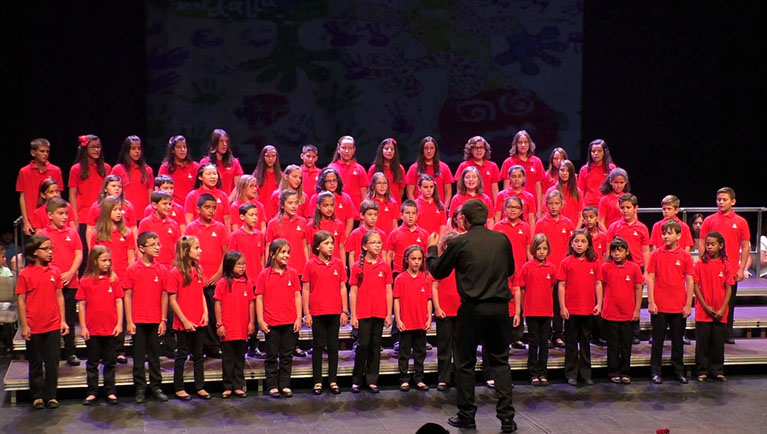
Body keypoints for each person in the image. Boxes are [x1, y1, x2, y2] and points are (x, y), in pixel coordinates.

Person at [426, 199, 516, 433]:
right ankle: (507, 418)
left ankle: (467, 416)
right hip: (499, 308)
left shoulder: (460, 242)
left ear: (464, 219)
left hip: (473, 309)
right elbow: (510, 270)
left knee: (465, 363)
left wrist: (432, 249)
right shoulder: (502, 239)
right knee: (500, 362)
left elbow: (438, 271)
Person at [16, 235, 69, 409]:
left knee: (52, 362)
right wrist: (24, 325)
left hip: (52, 324)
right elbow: (21, 300)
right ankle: (37, 396)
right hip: (34, 325)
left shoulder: (55, 271)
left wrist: (63, 321)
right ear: (34, 252)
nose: (50, 252)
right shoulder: (25, 274)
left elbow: (59, 296)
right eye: (45, 249)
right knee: (36, 362)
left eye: (50, 248)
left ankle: (51, 395)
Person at [698, 187, 750, 344]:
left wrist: (741, 269)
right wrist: (702, 261)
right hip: (710, 268)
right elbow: (702, 241)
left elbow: (745, 246)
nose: (721, 202)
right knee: (710, 298)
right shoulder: (709, 220)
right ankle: (709, 332)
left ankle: (727, 332)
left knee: (729, 301)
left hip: (731, 269)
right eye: (719, 199)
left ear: (733, 201)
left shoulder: (740, 222)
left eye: (724, 199)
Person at [124, 231, 169, 403]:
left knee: (155, 356)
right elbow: (128, 295)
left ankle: (156, 386)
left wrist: (163, 319)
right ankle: (140, 388)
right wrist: (129, 320)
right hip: (138, 320)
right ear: (142, 248)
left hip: (155, 319)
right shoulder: (133, 269)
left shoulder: (162, 270)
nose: (157, 248)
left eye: (158, 244)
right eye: (153, 245)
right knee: (139, 356)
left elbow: (164, 295)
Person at [647, 220, 694, 384]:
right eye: (664, 233)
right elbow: (650, 278)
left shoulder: (685, 256)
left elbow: (689, 280)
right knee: (657, 341)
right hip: (660, 305)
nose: (665, 236)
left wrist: (688, 304)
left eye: (669, 233)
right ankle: (655, 372)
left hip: (678, 305)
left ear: (678, 236)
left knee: (678, 342)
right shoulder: (655, 254)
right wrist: (651, 301)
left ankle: (678, 371)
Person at [91, 195, 136, 364]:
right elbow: (94, 258)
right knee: (106, 314)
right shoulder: (97, 234)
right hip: (103, 280)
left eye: (120, 210)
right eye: (115, 209)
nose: (119, 212)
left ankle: (119, 349)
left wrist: (130, 278)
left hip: (122, 279)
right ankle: (104, 350)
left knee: (120, 315)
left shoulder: (127, 233)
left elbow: (131, 257)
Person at [302, 231, 348, 395]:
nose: (330, 246)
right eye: (326, 243)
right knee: (318, 346)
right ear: (317, 246)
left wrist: (344, 310)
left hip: (334, 311)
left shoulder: (338, 264)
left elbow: (343, 287)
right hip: (318, 312)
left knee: (334, 346)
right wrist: (307, 313)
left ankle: (333, 380)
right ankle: (317, 381)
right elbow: (305, 289)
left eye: (331, 243)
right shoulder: (310, 264)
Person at [77, 245, 124, 405]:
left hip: (110, 329)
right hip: (93, 330)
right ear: (94, 261)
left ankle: (110, 391)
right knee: (92, 363)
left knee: (110, 362)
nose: (107, 263)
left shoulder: (113, 280)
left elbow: (119, 301)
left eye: (109, 260)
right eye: (104, 260)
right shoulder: (85, 281)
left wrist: (119, 323)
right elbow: (82, 304)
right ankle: (92, 392)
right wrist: (83, 327)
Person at [166, 235, 211, 401]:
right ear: (186, 251)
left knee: (199, 355)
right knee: (182, 354)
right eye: (196, 248)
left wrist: (205, 312)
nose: (200, 251)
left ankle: (200, 386)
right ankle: (179, 387)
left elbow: (201, 293)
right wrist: (184, 321)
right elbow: (172, 300)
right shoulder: (175, 272)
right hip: (184, 321)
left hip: (198, 319)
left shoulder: (198, 269)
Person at [38, 197, 83, 366]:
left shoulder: (72, 232)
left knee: (69, 318)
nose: (64, 217)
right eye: (60, 213)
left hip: (70, 283)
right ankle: (52, 353)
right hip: (51, 283)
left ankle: (70, 352)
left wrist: (71, 272)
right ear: (50, 215)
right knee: (51, 318)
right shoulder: (42, 235)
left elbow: (79, 254)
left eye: (66, 214)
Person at [256, 239, 302, 398]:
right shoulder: (264, 275)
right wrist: (260, 320)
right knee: (271, 355)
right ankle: (272, 385)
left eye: (288, 252)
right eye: (282, 252)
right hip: (272, 322)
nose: (286, 255)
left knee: (286, 355)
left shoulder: (293, 273)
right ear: (273, 254)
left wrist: (298, 318)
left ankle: (285, 384)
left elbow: (297, 296)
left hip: (289, 321)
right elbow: (259, 298)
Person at [184, 194, 228, 359]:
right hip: (196, 279)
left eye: (214, 208)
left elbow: (225, 253)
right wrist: (198, 274)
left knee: (213, 312)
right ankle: (196, 348)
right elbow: (187, 254)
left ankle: (213, 346)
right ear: (198, 209)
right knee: (196, 312)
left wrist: (218, 274)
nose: (211, 211)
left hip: (215, 279)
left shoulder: (220, 228)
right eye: (207, 207)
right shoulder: (191, 228)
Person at [557, 229, 602, 386]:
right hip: (571, 310)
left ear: (588, 244)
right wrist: (563, 307)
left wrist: (599, 303)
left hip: (588, 309)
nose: (579, 244)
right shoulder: (566, 262)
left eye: (583, 241)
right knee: (571, 343)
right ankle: (571, 374)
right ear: (571, 243)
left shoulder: (594, 263)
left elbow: (598, 283)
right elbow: (561, 285)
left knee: (585, 343)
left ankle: (585, 373)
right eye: (576, 241)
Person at [350, 231, 393, 393]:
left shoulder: (385, 266)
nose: (377, 245)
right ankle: (357, 379)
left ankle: (372, 379)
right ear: (364, 246)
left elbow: (388, 291)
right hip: (363, 313)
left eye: (379, 242)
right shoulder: (357, 266)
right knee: (363, 345)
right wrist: (353, 315)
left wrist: (388, 314)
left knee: (375, 345)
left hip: (379, 312)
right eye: (373, 243)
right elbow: (353, 292)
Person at [534, 190, 575, 348]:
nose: (553, 206)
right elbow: (536, 245)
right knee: (545, 303)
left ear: (562, 204)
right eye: (550, 203)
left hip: (562, 271)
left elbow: (572, 246)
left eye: (556, 203)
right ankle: (544, 335)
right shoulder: (541, 223)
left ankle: (557, 334)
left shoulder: (567, 223)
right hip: (545, 269)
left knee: (559, 304)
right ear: (546, 205)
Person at [600, 237, 643, 384]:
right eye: (613, 251)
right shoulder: (606, 267)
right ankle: (613, 371)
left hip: (628, 313)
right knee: (612, 345)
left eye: (620, 250)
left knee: (626, 345)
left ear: (627, 252)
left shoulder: (634, 267)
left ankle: (625, 372)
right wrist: (602, 305)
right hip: (611, 313)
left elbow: (638, 289)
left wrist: (637, 310)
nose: (616, 254)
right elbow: (602, 287)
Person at [214, 250, 256, 399]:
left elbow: (251, 303)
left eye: (244, 264)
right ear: (230, 265)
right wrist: (219, 324)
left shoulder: (247, 283)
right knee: (228, 359)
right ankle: (227, 386)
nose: (242, 267)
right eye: (239, 264)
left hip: (242, 328)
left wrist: (251, 322)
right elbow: (218, 304)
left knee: (240, 359)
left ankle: (238, 386)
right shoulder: (222, 283)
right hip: (228, 328)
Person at [493, 195, 531, 350]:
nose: (512, 210)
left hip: (520, 269)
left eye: (516, 208)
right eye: (510, 207)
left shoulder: (526, 227)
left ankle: (517, 337)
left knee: (519, 302)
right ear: (504, 209)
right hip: (503, 271)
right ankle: (503, 336)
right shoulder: (498, 227)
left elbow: (529, 249)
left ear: (521, 210)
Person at [694, 231, 733, 381]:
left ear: (720, 245)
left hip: (720, 312)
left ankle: (717, 369)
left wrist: (722, 309)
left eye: (713, 244)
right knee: (702, 343)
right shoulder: (700, 264)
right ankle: (702, 370)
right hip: (703, 311)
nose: (709, 247)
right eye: (707, 244)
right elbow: (696, 286)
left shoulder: (725, 265)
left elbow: (729, 288)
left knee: (718, 343)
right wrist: (705, 306)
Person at [394, 245, 432, 392]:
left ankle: (419, 378)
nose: (416, 262)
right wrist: (398, 319)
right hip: (406, 322)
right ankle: (404, 379)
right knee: (404, 352)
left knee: (420, 352)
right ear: (406, 260)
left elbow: (429, 300)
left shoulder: (426, 278)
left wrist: (429, 319)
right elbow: (396, 300)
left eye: (419, 259)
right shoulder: (400, 278)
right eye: (413, 259)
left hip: (420, 321)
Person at [431, 231, 461, 392]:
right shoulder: (441, 264)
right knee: (444, 346)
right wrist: (437, 307)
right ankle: (443, 378)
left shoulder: (464, 263)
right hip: (444, 310)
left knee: (460, 347)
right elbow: (434, 287)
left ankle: (459, 377)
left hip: (461, 310)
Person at [68, 134, 111, 247]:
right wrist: (74, 217)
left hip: (102, 215)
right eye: (93, 147)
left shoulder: (106, 168)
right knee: (86, 250)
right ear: (85, 149)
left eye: (98, 147)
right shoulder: (76, 169)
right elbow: (72, 194)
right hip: (83, 217)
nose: (96, 150)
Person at [17, 138, 64, 235]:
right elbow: (22, 197)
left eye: (47, 151)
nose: (45, 154)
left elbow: (58, 196)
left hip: (51, 220)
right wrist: (25, 221)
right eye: (42, 151)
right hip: (32, 221)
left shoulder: (55, 170)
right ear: (33, 153)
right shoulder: (24, 172)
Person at [85, 175, 138, 248]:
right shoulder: (97, 207)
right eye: (113, 186)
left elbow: (133, 228)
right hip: (103, 243)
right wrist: (91, 249)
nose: (117, 188)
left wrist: (135, 247)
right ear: (105, 189)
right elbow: (90, 228)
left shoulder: (127, 206)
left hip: (123, 244)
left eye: (119, 187)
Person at [500, 130, 545, 215]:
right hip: (513, 207)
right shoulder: (508, 162)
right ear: (516, 144)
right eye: (520, 142)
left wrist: (539, 209)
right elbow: (506, 188)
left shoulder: (537, 162)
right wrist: (505, 209)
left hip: (531, 206)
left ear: (529, 144)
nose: (523, 145)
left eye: (525, 142)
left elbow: (538, 187)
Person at [307, 168, 357, 236]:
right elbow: (311, 220)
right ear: (323, 182)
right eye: (329, 181)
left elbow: (350, 220)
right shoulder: (315, 198)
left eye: (334, 180)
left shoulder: (346, 198)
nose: (332, 183)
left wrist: (344, 238)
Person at [386, 200, 429, 277]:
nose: (411, 216)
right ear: (401, 215)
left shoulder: (424, 234)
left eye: (413, 213)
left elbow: (427, 256)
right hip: (399, 272)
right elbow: (389, 256)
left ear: (417, 216)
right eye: (407, 213)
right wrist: (388, 274)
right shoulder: (394, 234)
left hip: (419, 273)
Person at [138, 190, 181, 267]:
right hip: (151, 267)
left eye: (170, 204)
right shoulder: (145, 223)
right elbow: (140, 247)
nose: (168, 207)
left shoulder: (174, 224)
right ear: (154, 205)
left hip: (169, 267)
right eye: (164, 204)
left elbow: (176, 248)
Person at [111, 135, 154, 213]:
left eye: (139, 148)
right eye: (133, 148)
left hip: (143, 213)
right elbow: (112, 193)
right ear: (127, 150)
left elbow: (150, 195)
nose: (137, 151)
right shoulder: (118, 169)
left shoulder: (148, 170)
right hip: (125, 212)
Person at [405, 136, 453, 204]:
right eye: (426, 148)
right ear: (422, 150)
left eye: (432, 148)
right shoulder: (414, 168)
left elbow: (448, 192)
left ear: (435, 150)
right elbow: (409, 192)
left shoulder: (444, 168)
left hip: (438, 208)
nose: (429, 151)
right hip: (419, 208)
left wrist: (444, 208)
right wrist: (415, 208)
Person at [329, 135, 369, 213]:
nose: (347, 151)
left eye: (350, 148)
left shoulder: (360, 169)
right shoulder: (331, 168)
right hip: (336, 211)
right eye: (344, 148)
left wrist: (364, 213)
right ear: (338, 149)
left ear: (354, 150)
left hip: (356, 212)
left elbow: (364, 194)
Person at [456, 136, 501, 203]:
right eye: (475, 148)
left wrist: (496, 207)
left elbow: (495, 190)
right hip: (468, 203)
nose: (479, 150)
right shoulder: (464, 166)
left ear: (485, 150)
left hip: (486, 204)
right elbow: (459, 188)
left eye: (481, 147)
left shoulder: (493, 166)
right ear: (470, 150)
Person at [199, 129, 243, 195]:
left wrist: (226, 200)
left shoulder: (234, 162)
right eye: (221, 141)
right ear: (215, 143)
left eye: (226, 141)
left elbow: (238, 187)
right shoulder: (204, 162)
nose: (224, 144)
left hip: (229, 200)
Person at [346, 200, 388, 269]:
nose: (373, 218)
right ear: (362, 215)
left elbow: (383, 256)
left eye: (375, 215)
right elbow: (351, 256)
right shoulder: (355, 234)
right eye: (370, 215)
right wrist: (353, 272)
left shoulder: (381, 234)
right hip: (361, 269)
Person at [158, 135, 199, 205]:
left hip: (191, 205)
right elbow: (160, 190)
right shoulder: (165, 168)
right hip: (171, 206)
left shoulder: (194, 166)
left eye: (184, 147)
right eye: (178, 147)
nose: (182, 150)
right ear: (173, 150)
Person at [494, 165, 536, 232]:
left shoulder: (529, 197)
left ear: (524, 178)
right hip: (505, 230)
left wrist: (532, 236)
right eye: (513, 176)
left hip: (523, 231)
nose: (517, 179)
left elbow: (531, 220)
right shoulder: (501, 195)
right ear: (509, 178)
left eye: (519, 176)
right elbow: (497, 218)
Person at [308, 191, 346, 261]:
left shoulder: (339, 224)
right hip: (316, 263)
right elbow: (309, 248)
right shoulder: (311, 226)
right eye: (325, 205)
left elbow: (341, 248)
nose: (329, 208)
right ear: (318, 206)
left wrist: (343, 265)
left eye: (332, 205)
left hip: (334, 263)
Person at [577, 139, 616, 208]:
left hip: (606, 205)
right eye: (593, 151)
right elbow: (581, 190)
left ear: (604, 152)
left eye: (599, 151)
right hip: (589, 206)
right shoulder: (584, 169)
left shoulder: (611, 168)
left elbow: (615, 189)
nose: (596, 153)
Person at [368, 138, 406, 206]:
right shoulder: (374, 169)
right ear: (381, 150)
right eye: (386, 148)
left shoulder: (400, 169)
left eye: (392, 149)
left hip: (395, 205)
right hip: (377, 205)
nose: (389, 151)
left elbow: (401, 189)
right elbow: (369, 188)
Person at [547, 160, 583, 228]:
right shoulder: (551, 191)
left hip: (573, 229)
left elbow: (580, 216)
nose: (565, 173)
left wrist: (576, 231)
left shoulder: (578, 192)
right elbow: (545, 213)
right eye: (562, 170)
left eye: (568, 171)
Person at [252, 145, 282, 213]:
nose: (270, 158)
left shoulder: (280, 175)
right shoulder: (257, 174)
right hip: (260, 211)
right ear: (263, 157)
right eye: (267, 156)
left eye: (273, 156)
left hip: (275, 212)